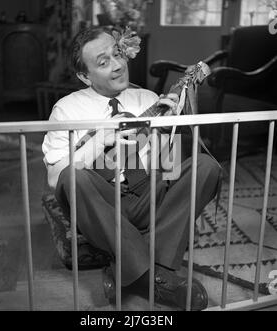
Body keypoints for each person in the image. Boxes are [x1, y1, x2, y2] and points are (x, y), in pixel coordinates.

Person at [42, 26, 221, 311]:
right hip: (102, 204)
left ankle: (129, 268)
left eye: (118, 54)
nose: (117, 65)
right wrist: (99, 141)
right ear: (84, 76)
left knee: (207, 166)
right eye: (103, 62)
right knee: (73, 176)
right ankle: (153, 276)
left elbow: (167, 167)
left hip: (147, 196)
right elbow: (56, 178)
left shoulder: (147, 99)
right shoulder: (66, 110)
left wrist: (169, 129)